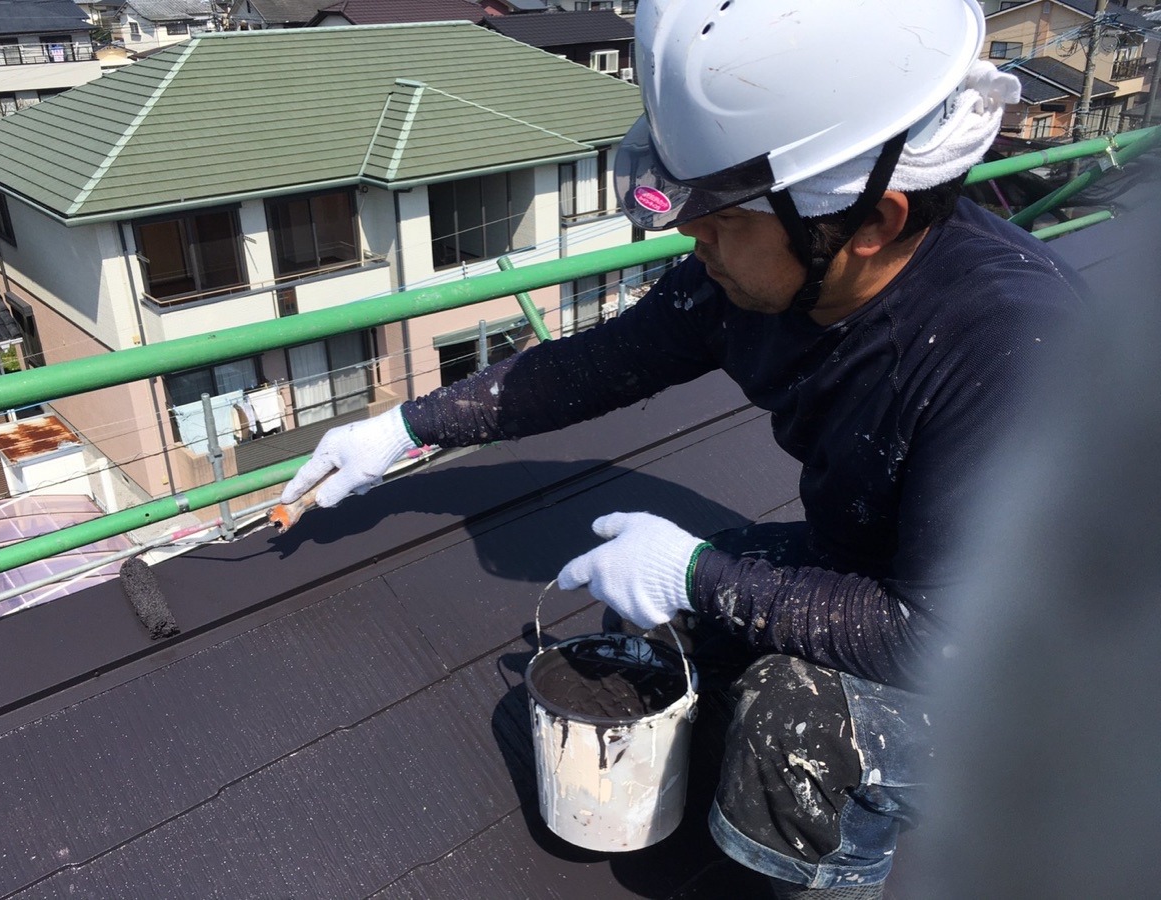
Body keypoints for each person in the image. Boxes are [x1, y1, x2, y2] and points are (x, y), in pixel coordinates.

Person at [278, 1, 1089, 896]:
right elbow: (601, 363)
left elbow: (942, 640)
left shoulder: (1012, 355)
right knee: (696, 607)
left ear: (870, 222)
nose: (689, 237)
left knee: (795, 723)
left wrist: (696, 575)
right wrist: (403, 429)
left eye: (724, 219)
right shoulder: (781, 266)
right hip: (901, 576)